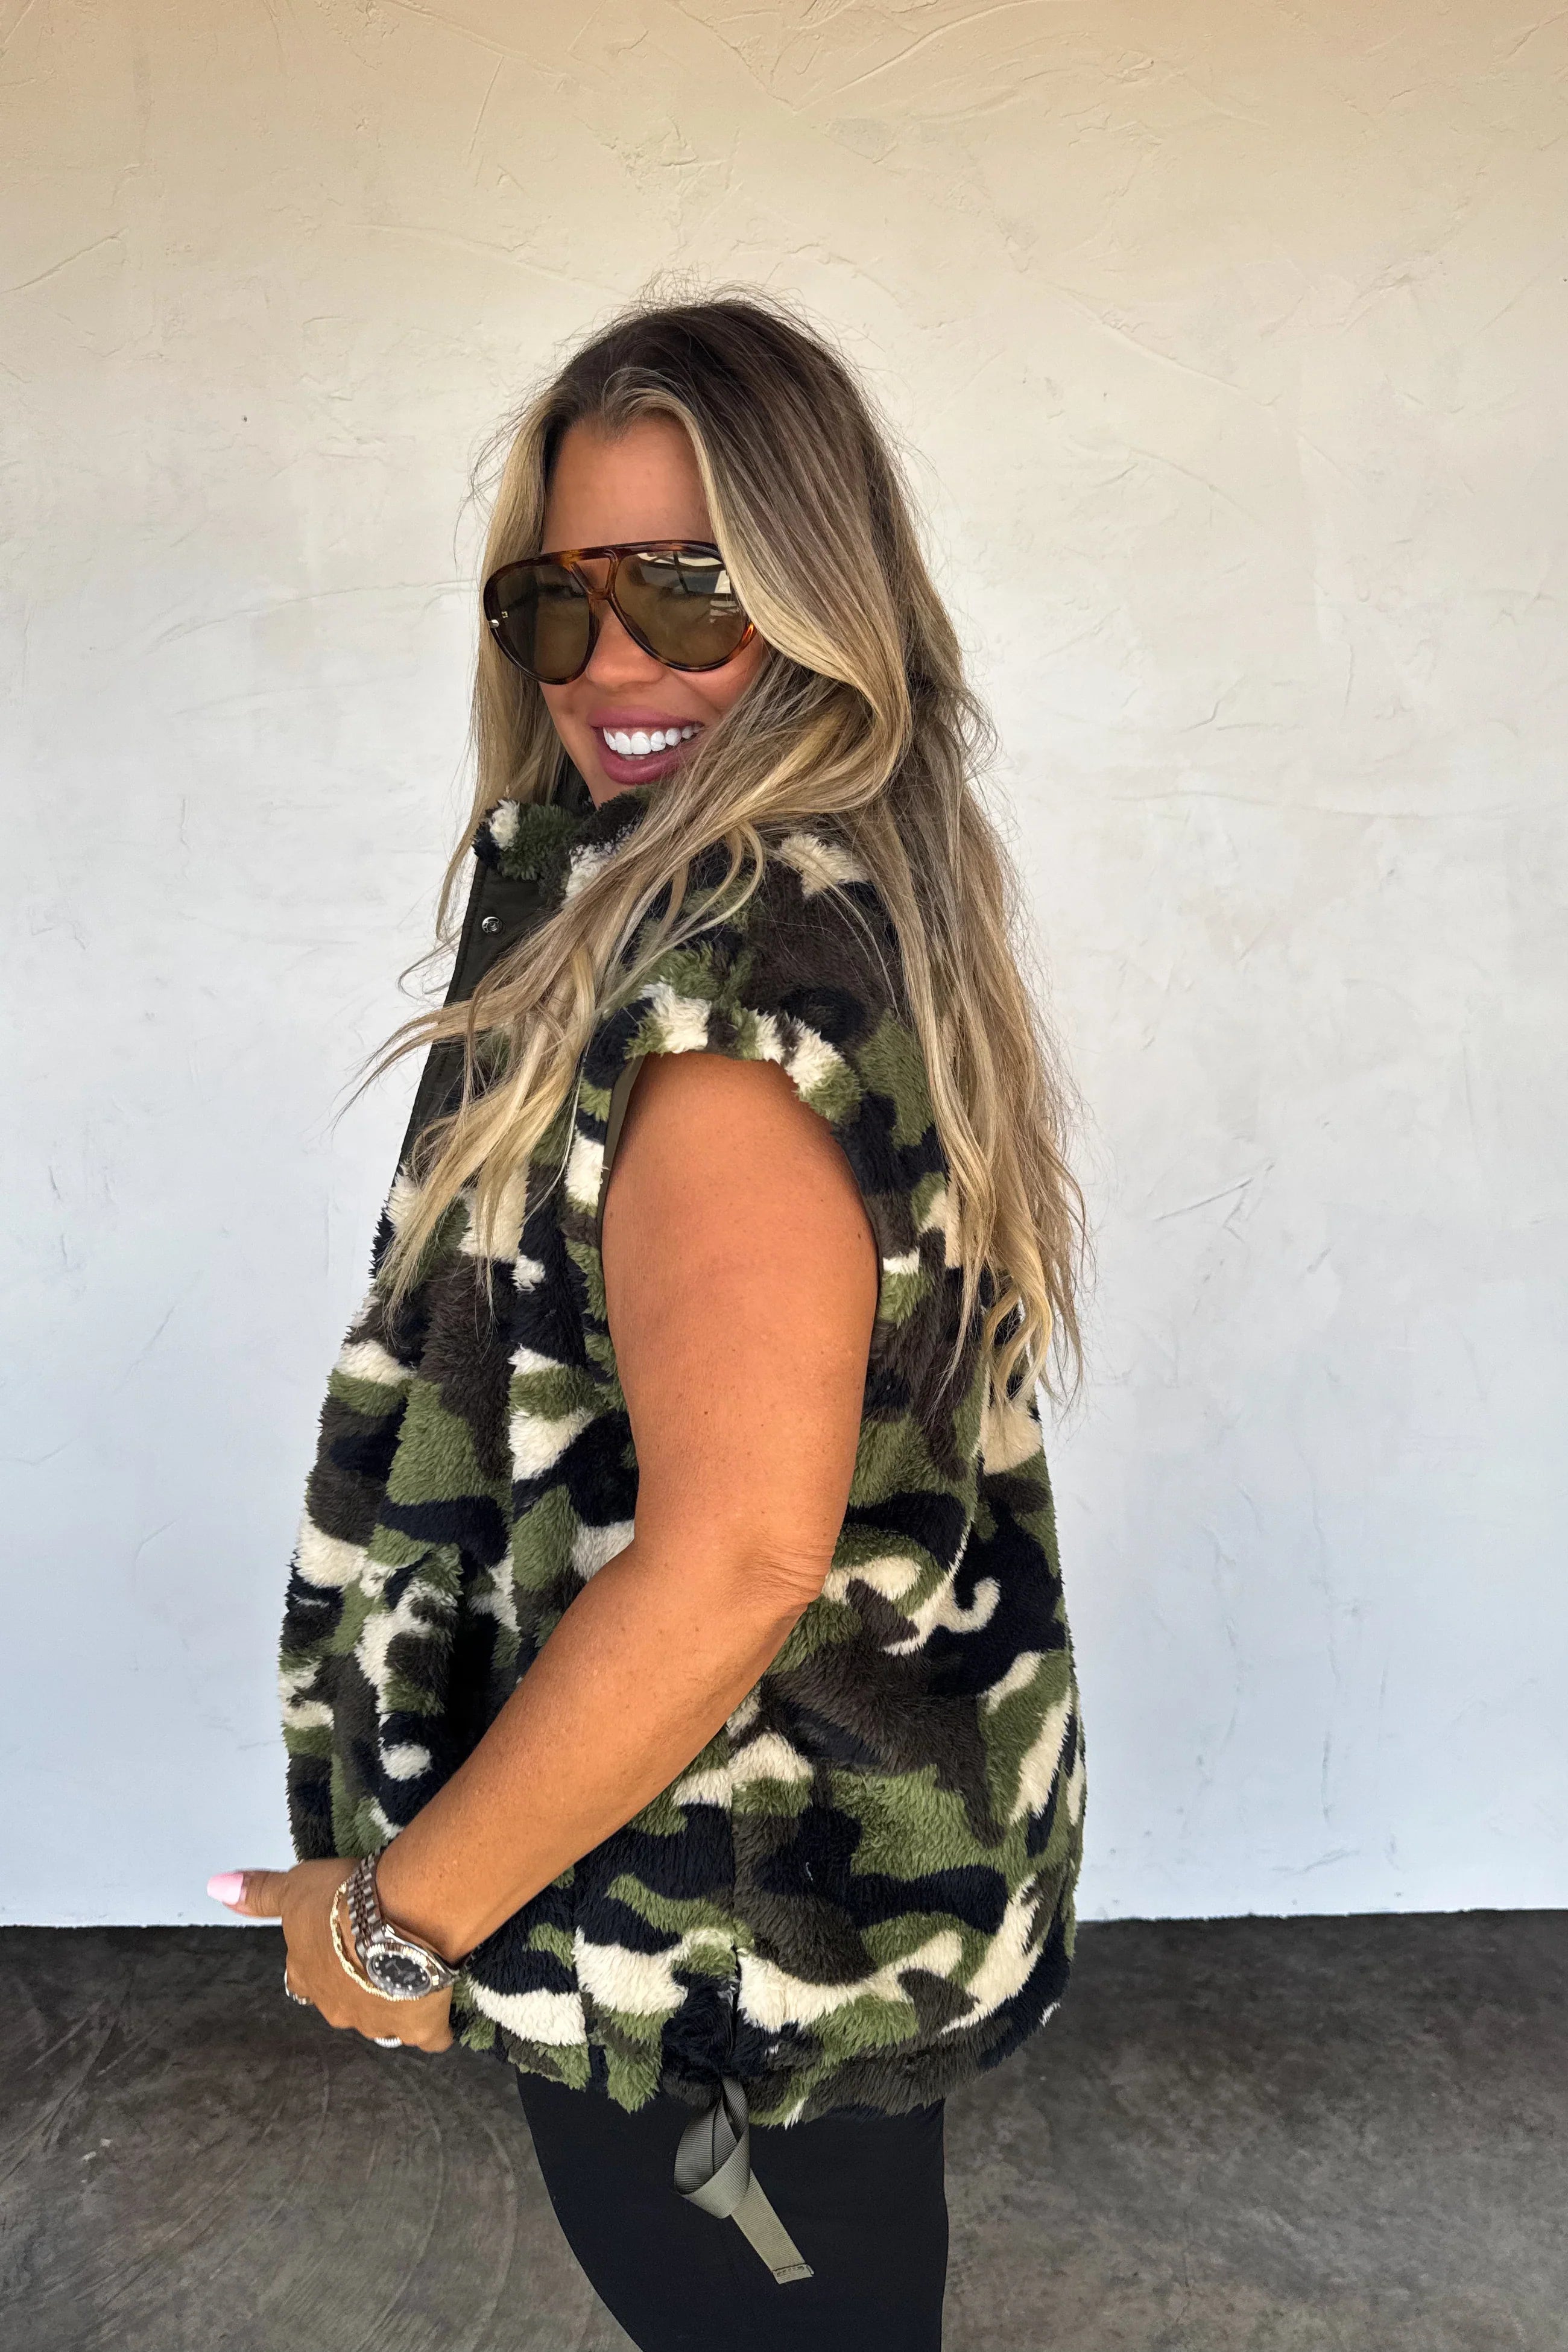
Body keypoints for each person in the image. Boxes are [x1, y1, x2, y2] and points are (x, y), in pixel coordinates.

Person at [208, 292, 1087, 2351]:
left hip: (714, 1939)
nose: (611, 664)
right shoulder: (814, 899)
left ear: (817, 597)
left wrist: (396, 1918)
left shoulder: (718, 996)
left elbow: (737, 1558)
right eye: (558, 600)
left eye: (689, 592)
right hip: (787, 1889)